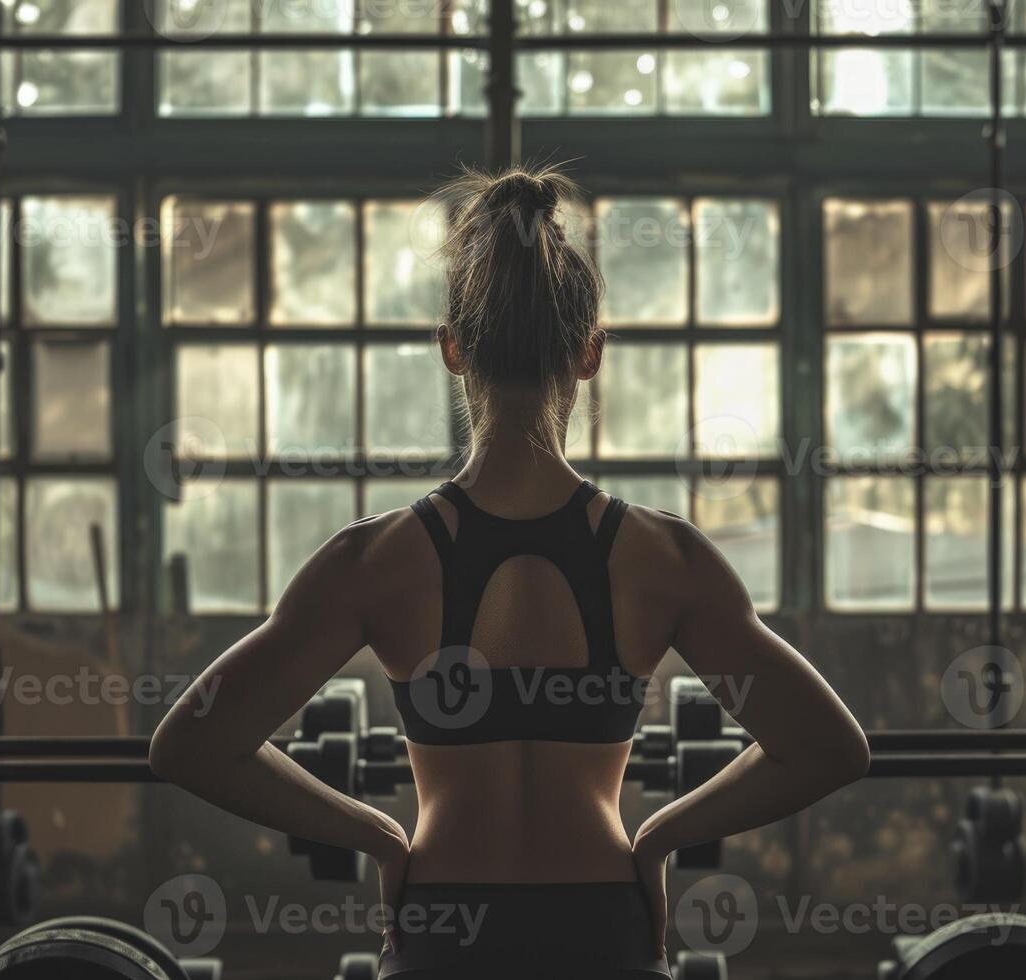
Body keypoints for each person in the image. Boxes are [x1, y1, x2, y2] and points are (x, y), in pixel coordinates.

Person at [149, 165, 870, 979]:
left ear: (452, 350)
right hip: (603, 928)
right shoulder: (663, 560)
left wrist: (380, 837)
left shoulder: (374, 562)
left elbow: (191, 745)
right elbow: (830, 746)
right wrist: (662, 835)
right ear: (591, 355)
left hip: (442, 930)